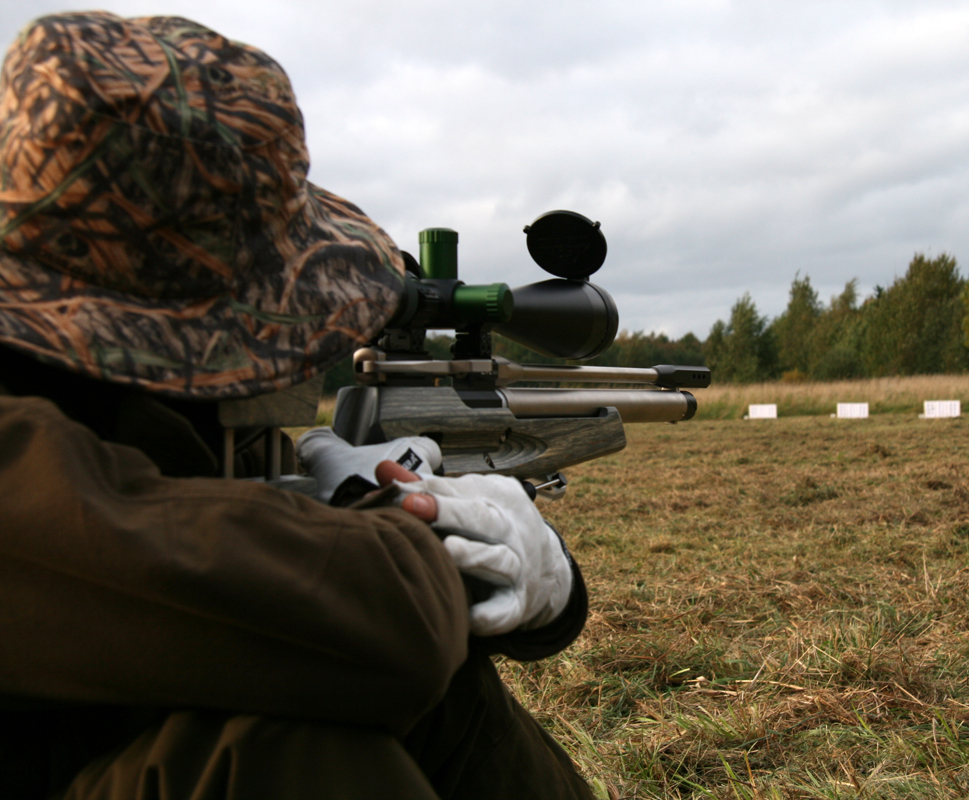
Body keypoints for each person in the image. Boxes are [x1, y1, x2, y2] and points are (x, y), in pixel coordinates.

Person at [0, 11, 593, 799]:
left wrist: (540, 586)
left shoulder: (114, 404)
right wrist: (396, 535)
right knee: (282, 758)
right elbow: (391, 632)